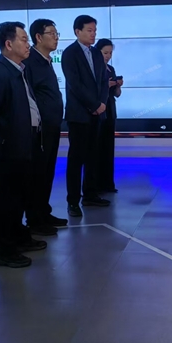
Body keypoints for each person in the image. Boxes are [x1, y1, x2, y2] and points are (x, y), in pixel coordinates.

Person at [0, 22, 46, 268]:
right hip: (9, 146)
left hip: (25, 142)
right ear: (8, 44)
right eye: (24, 40)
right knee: (7, 199)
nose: (28, 44)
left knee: (20, 195)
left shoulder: (18, 70)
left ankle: (18, 238)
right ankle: (4, 251)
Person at [60, 15, 110, 217]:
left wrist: (102, 103)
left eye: (94, 30)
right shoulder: (69, 53)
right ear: (77, 31)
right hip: (79, 114)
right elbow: (75, 84)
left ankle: (90, 194)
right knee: (76, 158)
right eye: (89, 30)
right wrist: (94, 105)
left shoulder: (96, 53)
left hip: (97, 114)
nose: (93, 34)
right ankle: (73, 201)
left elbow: (104, 81)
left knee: (93, 156)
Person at [23, 18, 68, 234]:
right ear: (38, 37)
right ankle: (35, 219)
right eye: (52, 33)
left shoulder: (46, 61)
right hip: (39, 130)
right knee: (37, 173)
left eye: (57, 33)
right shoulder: (30, 61)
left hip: (52, 126)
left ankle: (44, 211)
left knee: (48, 171)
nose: (56, 37)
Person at [95, 38, 122, 193]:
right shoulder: (94, 68)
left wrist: (117, 85)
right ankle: (96, 184)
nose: (108, 56)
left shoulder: (111, 69)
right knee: (97, 148)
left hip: (110, 110)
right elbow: (93, 89)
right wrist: (106, 84)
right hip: (98, 111)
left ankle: (108, 183)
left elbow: (116, 94)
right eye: (105, 53)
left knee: (108, 148)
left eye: (110, 53)